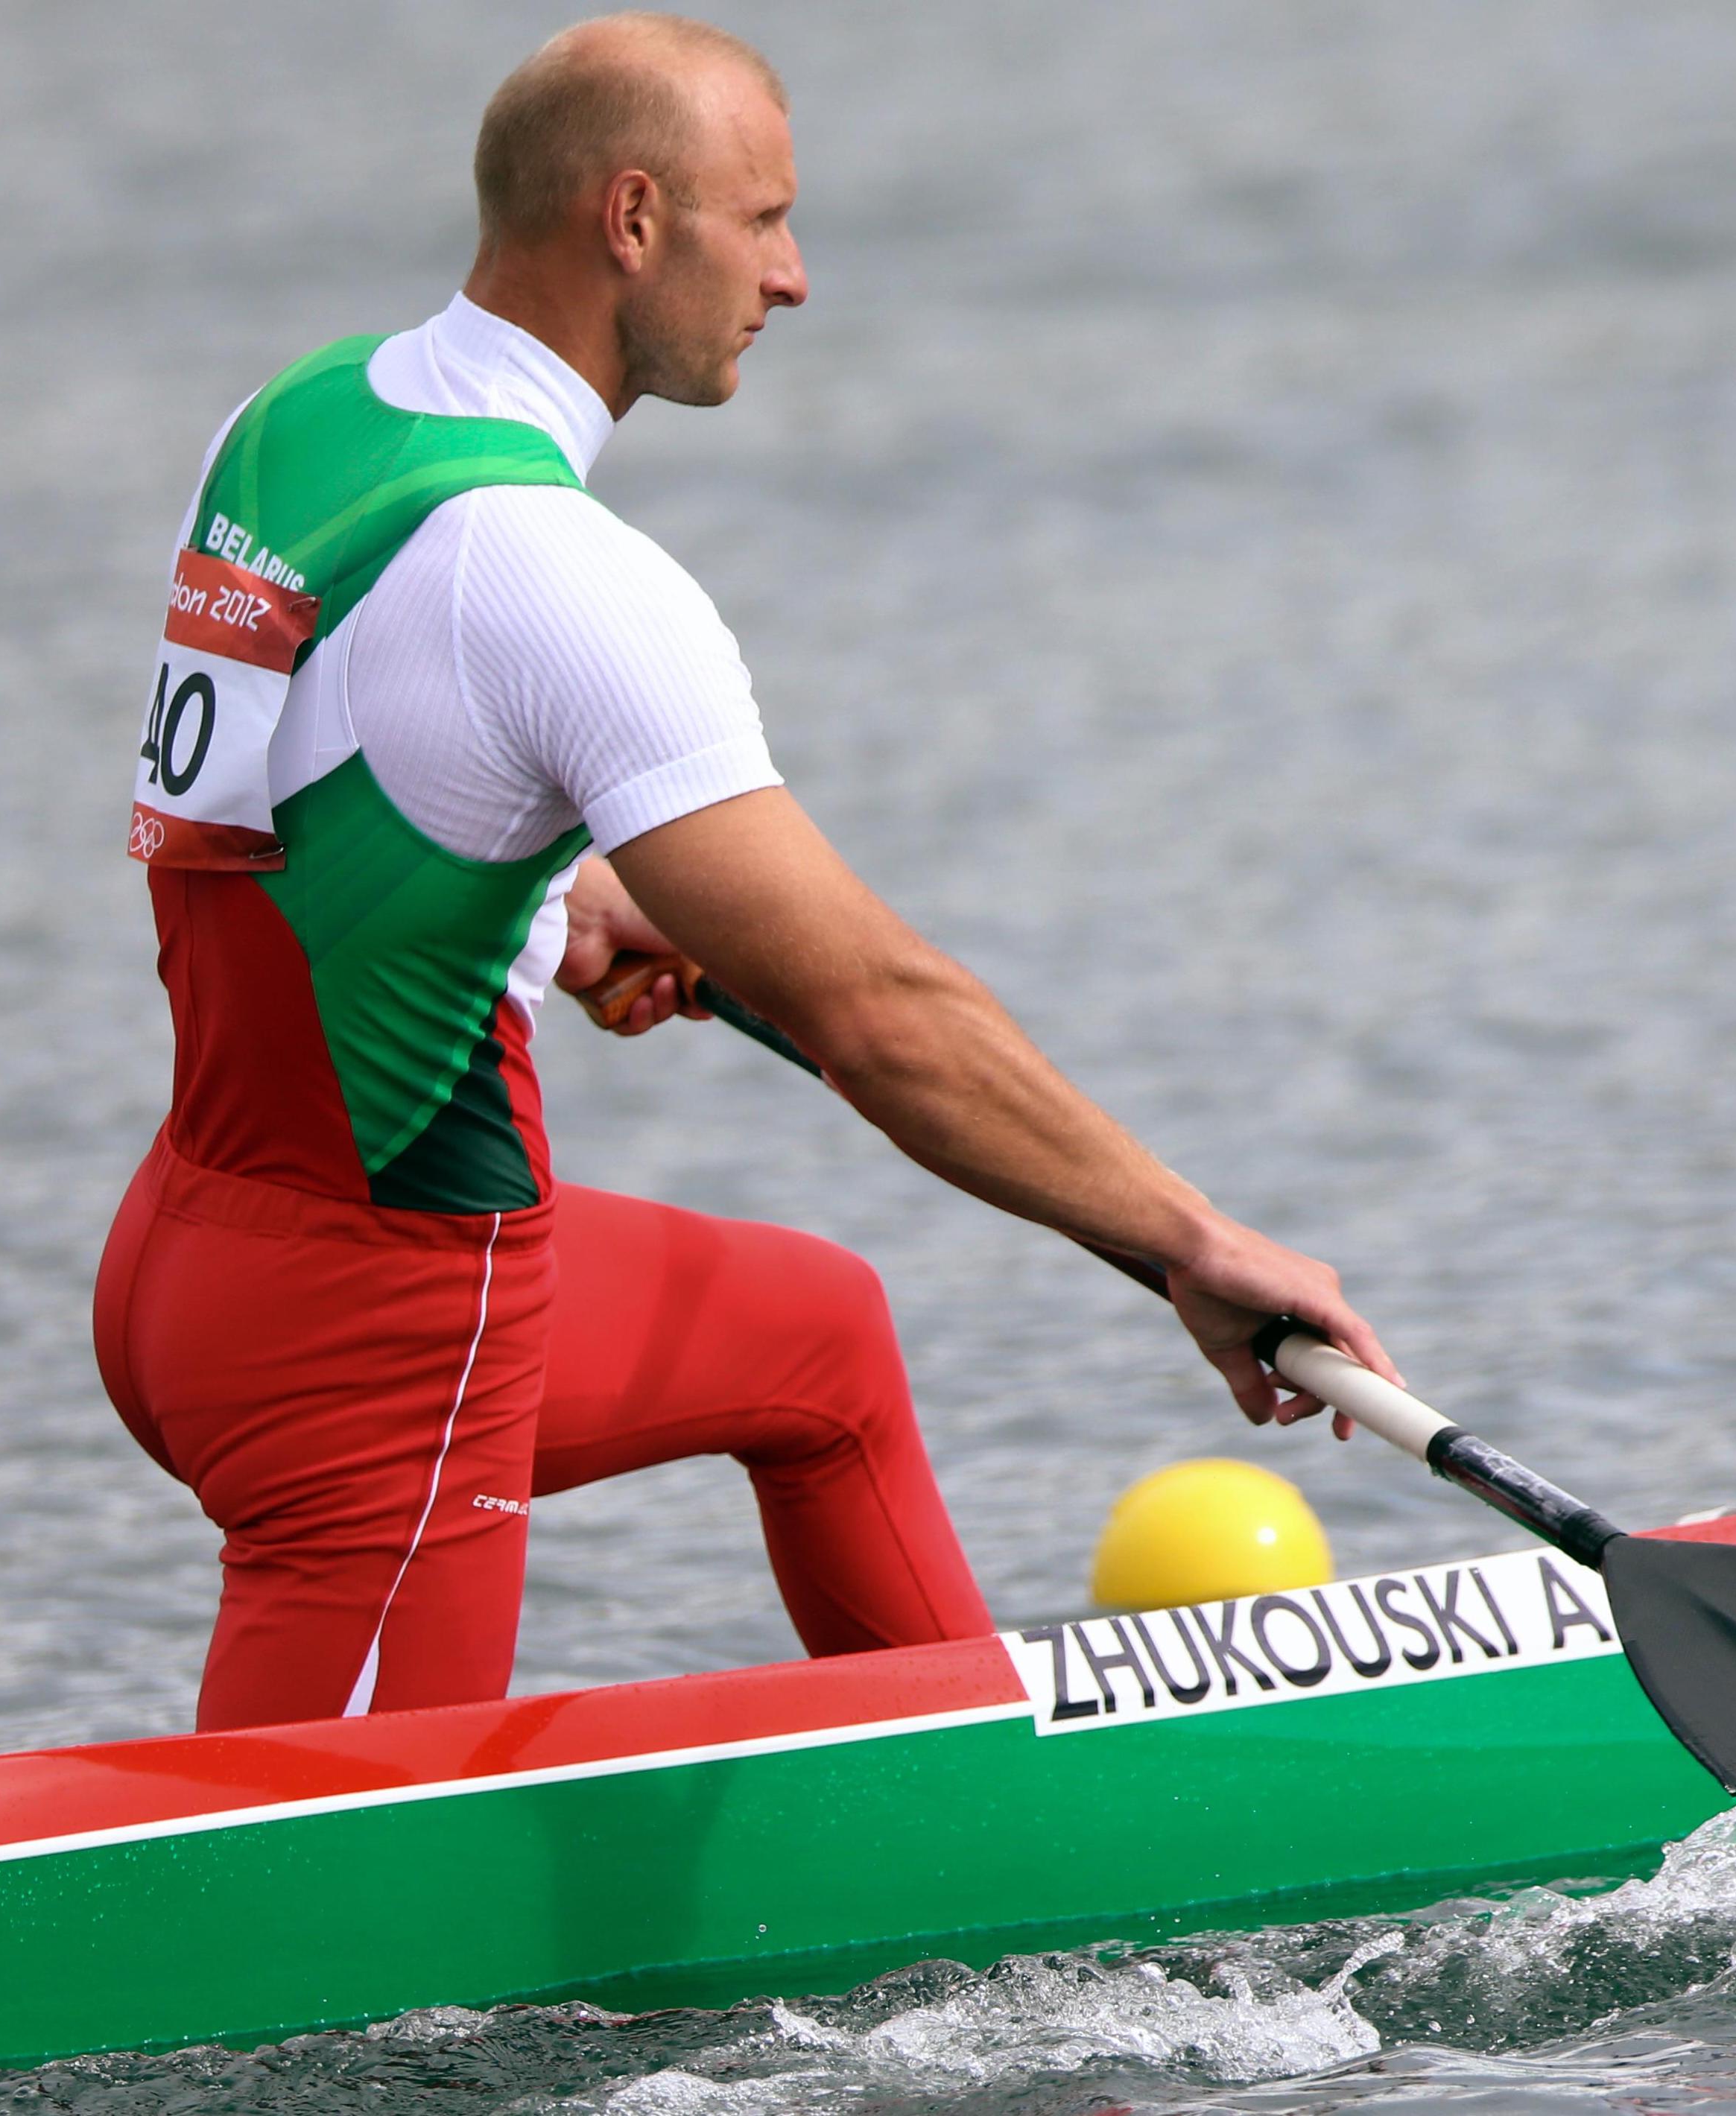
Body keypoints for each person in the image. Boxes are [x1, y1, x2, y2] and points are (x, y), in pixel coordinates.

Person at [94, 11, 1396, 1732]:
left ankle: (986, 1817)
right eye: (762, 219)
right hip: (383, 1343)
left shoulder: (302, 417)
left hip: (182, 1252)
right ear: (631, 219)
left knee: (818, 1342)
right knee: (275, 1971)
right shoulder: (564, 579)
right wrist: (1187, 1239)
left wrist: (549, 911)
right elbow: (879, 1018)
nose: (793, 277)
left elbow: (279, 805)